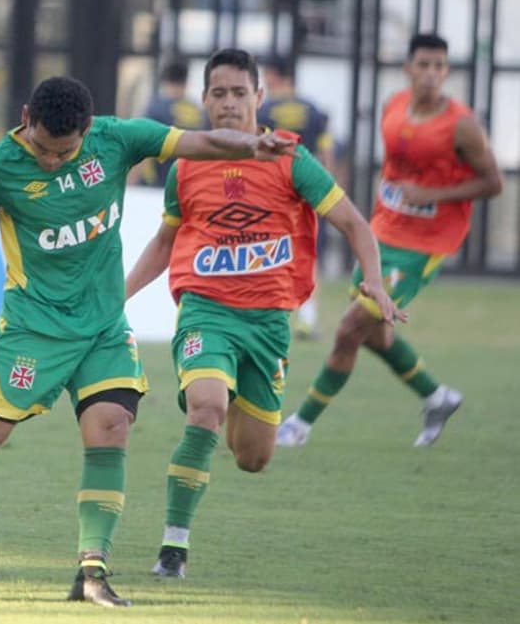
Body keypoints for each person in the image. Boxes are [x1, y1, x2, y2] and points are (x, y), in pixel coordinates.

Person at [0, 76, 295, 607]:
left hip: (104, 328)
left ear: (86, 132)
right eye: (41, 147)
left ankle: (92, 571)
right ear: (26, 116)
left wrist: (255, 145)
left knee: (111, 428)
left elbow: (195, 142)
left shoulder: (117, 139)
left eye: (62, 151)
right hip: (33, 331)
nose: (48, 159)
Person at [124, 48, 403, 579]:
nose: (228, 103)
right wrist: (118, 297)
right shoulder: (184, 167)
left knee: (253, 458)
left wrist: (371, 279)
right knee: (204, 407)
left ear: (259, 96)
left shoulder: (291, 160)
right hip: (207, 312)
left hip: (270, 322)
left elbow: (356, 224)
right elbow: (165, 242)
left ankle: (228, 403)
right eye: (218, 93)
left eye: (238, 93)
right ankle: (172, 550)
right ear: (203, 100)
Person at [276, 33, 503, 449]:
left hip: (425, 244)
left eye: (440, 65)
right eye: (424, 65)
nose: (432, 73)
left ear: (446, 71)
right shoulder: (393, 107)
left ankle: (299, 424)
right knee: (373, 333)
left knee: (348, 329)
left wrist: (433, 195)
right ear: (409, 68)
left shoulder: (462, 125)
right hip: (382, 232)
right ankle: (436, 396)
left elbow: (493, 183)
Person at [258, 54, 337, 340]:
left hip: (274, 190)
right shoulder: (314, 110)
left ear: (275, 76)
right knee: (309, 252)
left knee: (270, 248)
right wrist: (325, 187)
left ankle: (271, 310)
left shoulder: (265, 110)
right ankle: (307, 319)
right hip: (307, 188)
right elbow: (327, 150)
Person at [131, 58, 205, 186]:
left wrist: (131, 184)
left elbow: (140, 146)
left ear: (164, 81)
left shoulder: (156, 109)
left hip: (157, 186)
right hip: (190, 184)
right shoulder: (198, 111)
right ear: (186, 81)